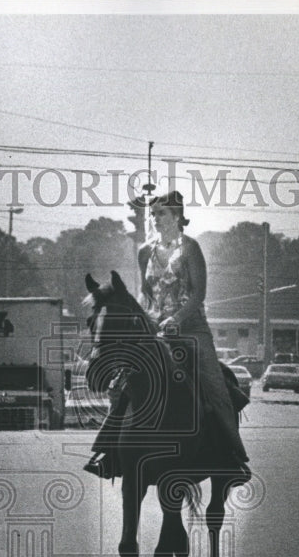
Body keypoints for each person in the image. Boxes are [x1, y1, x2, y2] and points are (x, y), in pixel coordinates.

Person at [84, 190, 250, 481]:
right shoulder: (145, 252)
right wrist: (142, 317)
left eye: (162, 213)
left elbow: (198, 294)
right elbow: (145, 294)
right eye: (154, 213)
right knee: (122, 383)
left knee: (216, 388)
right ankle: (109, 453)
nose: (156, 218)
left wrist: (176, 318)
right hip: (155, 330)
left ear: (177, 216)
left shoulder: (191, 249)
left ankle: (233, 456)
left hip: (192, 330)